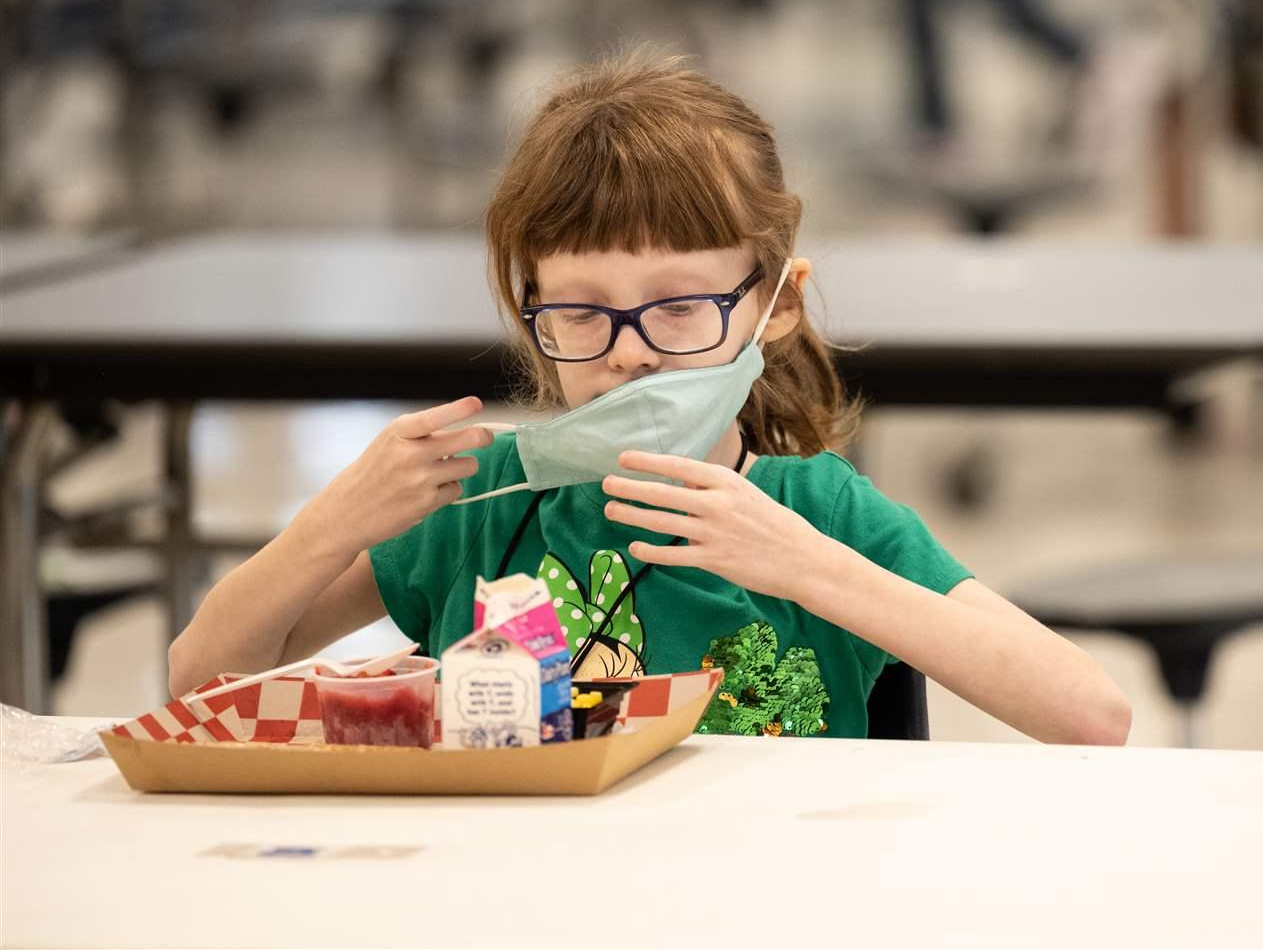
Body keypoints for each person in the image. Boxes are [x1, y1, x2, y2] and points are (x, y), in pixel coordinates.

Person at [168, 50, 1132, 745]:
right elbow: (199, 681)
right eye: (583, 313)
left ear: (775, 307)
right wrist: (329, 524)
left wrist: (807, 568)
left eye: (679, 307)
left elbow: (1091, 714)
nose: (631, 355)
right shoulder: (480, 503)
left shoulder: (819, 512)